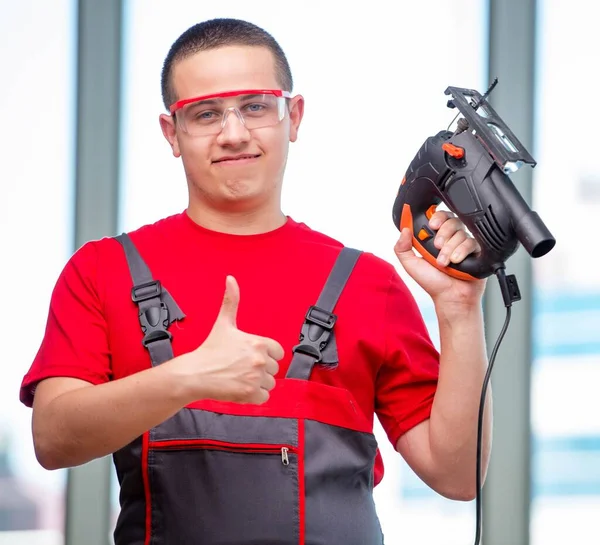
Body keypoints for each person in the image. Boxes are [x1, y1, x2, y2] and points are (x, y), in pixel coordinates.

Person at [19, 17, 492, 544]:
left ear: (293, 116)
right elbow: (53, 439)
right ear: (171, 133)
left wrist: (459, 311)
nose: (234, 132)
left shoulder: (366, 283)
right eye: (205, 113)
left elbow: (457, 475)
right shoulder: (102, 271)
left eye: (255, 106)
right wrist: (187, 377)